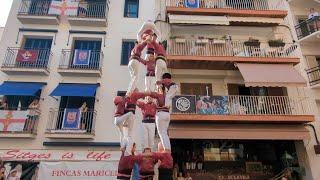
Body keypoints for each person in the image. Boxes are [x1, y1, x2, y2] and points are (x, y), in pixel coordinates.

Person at [153, 73, 178, 151]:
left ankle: (166, 149)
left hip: (161, 113)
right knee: (164, 133)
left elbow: (160, 85)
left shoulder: (165, 84)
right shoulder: (171, 86)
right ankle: (168, 149)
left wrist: (159, 83)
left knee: (161, 133)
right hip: (167, 114)